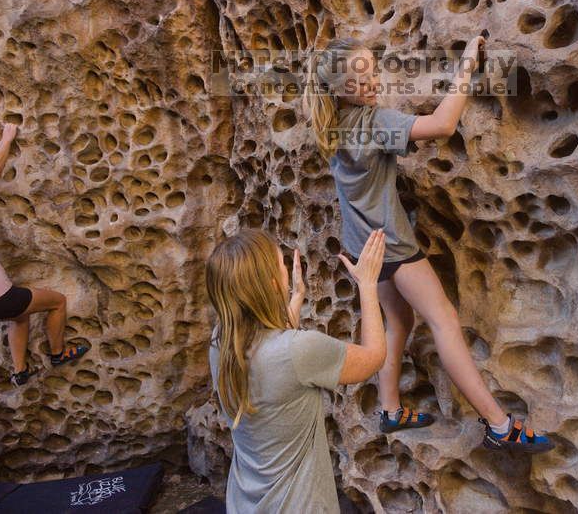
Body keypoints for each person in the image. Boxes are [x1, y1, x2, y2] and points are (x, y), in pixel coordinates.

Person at [302, 36, 554, 453]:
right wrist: (467, 66)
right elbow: (442, 126)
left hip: (363, 248)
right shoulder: (373, 121)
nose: (372, 83)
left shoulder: (333, 123)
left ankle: (389, 409)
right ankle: (498, 424)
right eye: (359, 80)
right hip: (392, 245)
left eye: (372, 72)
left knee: (399, 321)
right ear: (340, 89)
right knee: (444, 320)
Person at [206, 227, 387, 513]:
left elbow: (271, 351)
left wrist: (296, 299)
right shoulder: (301, 350)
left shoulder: (222, 344)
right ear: (273, 283)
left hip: (246, 503)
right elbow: (373, 358)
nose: (285, 270)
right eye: (281, 264)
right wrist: (367, 284)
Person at [0, 123, 89, 386]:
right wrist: (7, 136)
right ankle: (58, 353)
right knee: (57, 301)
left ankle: (20, 371)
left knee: (20, 315)